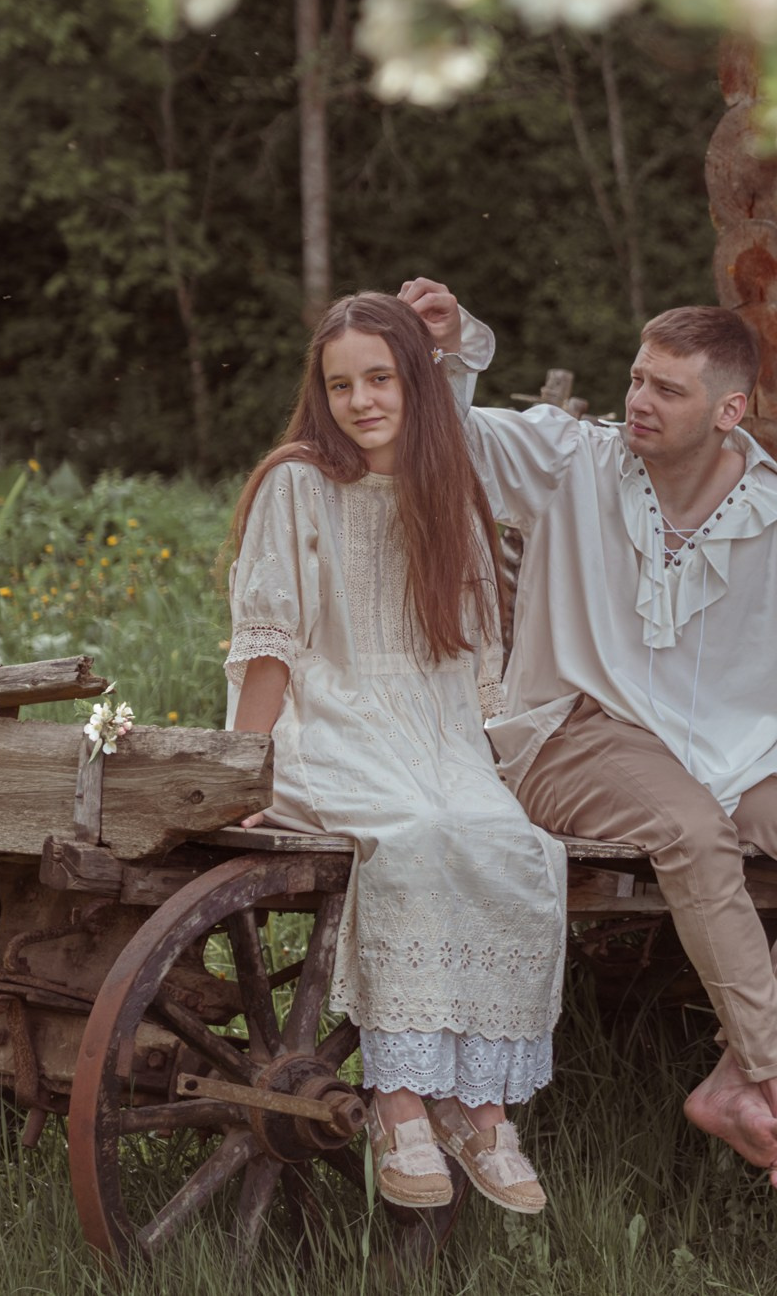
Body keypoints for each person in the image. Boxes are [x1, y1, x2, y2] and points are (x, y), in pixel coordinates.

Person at [397, 277, 777, 1196]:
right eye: (635, 380)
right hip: (577, 736)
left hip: (725, 756)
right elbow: (457, 436)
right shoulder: (576, 462)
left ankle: (736, 1078)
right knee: (693, 829)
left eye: (668, 389)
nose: (638, 404)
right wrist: (453, 345)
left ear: (730, 409)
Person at [224, 291, 568, 1214]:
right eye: (340, 384)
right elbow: (272, 641)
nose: (361, 399)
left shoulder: (442, 487)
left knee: (514, 845)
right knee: (410, 834)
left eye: (379, 377)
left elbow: (467, 645)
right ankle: (401, 1101)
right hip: (331, 718)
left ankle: (481, 1112)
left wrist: (487, 744)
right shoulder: (297, 482)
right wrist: (235, 771)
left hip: (432, 722)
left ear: (414, 381)